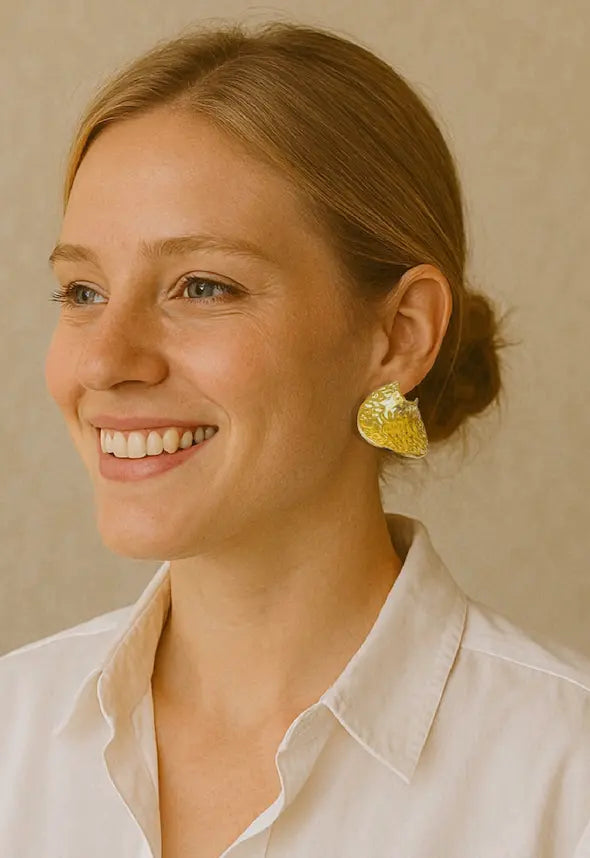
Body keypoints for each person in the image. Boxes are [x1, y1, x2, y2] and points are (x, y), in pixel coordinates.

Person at [1, 19, 589, 858]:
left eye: (201, 286)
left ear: (397, 337)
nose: (103, 360)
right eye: (82, 291)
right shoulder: (10, 740)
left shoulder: (565, 784)